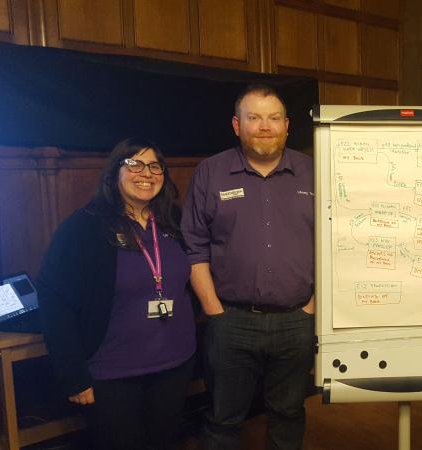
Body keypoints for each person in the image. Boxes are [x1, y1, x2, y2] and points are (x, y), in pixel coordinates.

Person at [36, 137, 196, 450]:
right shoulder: (84, 228)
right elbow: (55, 301)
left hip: (174, 364)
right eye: (134, 164)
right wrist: (74, 375)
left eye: (154, 166)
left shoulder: (174, 221)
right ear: (114, 173)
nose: (145, 173)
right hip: (112, 373)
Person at [182, 84, 315, 450]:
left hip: (296, 320)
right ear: (236, 125)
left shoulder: (313, 173)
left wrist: (312, 306)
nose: (264, 126)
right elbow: (193, 246)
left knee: (288, 415)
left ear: (287, 125)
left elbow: (334, 244)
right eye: (253, 118)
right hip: (231, 322)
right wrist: (214, 309)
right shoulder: (211, 173)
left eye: (273, 118)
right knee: (223, 419)